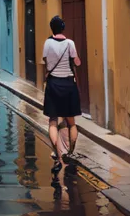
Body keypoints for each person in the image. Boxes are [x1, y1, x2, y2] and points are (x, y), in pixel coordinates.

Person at [43, 15, 82, 175]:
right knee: (71, 122)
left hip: (53, 84)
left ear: (52, 28)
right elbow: (77, 62)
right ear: (63, 28)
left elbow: (46, 62)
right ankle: (70, 152)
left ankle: (58, 154)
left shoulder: (47, 43)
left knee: (53, 121)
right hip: (68, 84)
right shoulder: (70, 43)